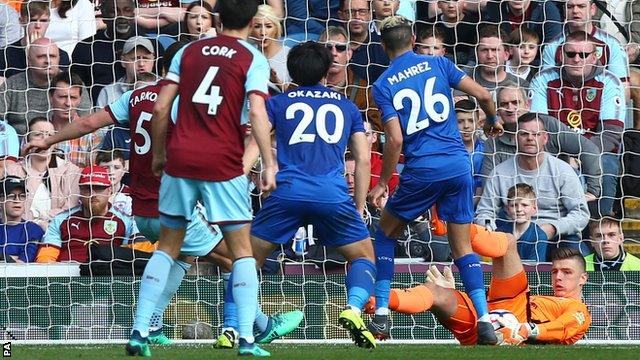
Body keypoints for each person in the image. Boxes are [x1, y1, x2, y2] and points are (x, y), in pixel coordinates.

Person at [150, 0, 276, 355]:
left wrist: (160, 154)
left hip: (174, 168)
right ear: (253, 22)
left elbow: (161, 109)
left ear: (216, 18)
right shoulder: (251, 58)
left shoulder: (188, 53)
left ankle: (142, 330)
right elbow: (255, 112)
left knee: (170, 251)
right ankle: (246, 335)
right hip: (222, 164)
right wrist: (267, 163)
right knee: (241, 254)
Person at [368, 16, 503, 344]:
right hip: (458, 165)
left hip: (423, 168)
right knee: (462, 246)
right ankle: (484, 320)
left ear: (384, 47)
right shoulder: (439, 63)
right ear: (414, 39)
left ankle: (382, 315)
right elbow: (484, 94)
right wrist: (493, 120)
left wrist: (384, 181)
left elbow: (396, 140)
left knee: (385, 234)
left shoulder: (383, 84)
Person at [250, 41, 377, 348]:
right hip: (332, 195)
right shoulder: (347, 105)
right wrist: (358, 206)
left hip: (288, 193)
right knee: (364, 257)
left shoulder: (278, 103)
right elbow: (362, 159)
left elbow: (256, 134)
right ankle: (353, 307)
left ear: (290, 71)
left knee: (246, 259)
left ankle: (234, 327)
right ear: (326, 72)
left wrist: (268, 165)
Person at [365, 246, 591, 345]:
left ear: (583, 278)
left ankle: (457, 229)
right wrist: (454, 292)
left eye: (567, 272)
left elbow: (563, 327)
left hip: (511, 340)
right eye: (555, 271)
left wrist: (525, 330)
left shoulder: (577, 310)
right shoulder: (539, 299)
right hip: (482, 323)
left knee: (507, 245)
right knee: (436, 292)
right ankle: (374, 301)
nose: (558, 277)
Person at [530, 31, 626, 217]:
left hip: (597, 151)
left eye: (583, 54)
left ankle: (598, 226)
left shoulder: (609, 81)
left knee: (606, 164)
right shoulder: (543, 79)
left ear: (595, 56)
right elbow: (538, 127)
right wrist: (567, 156)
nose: (576, 59)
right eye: (571, 54)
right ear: (561, 55)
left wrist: (582, 154)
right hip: (555, 150)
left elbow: (611, 133)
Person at [475, 113, 590, 260]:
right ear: (516, 138)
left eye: (536, 134)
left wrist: (553, 228)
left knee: (579, 258)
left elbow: (581, 214)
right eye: (524, 134)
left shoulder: (563, 170)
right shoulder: (499, 173)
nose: (530, 138)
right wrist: (493, 233)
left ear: (545, 138)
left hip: (557, 237)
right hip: (513, 235)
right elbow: (484, 212)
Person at [482, 86, 603, 200]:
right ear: (497, 110)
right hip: (514, 204)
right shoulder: (494, 140)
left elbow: (589, 149)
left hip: (556, 198)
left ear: (527, 104)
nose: (510, 108)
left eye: (515, 102)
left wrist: (593, 191)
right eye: (504, 104)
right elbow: (489, 183)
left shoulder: (549, 125)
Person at [35, 165, 138, 263]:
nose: (92, 194)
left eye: (98, 188)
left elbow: (131, 259)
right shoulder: (61, 219)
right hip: (66, 276)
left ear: (109, 190)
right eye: (87, 188)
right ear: (80, 190)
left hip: (107, 276)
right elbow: (45, 259)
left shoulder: (126, 221)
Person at [0, 37, 91, 136]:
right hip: (19, 145)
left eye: (52, 56)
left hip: (65, 142)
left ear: (59, 59)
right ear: (29, 61)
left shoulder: (74, 84)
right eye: (41, 56)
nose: (48, 61)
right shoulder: (12, 84)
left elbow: (87, 120)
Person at [6, 118, 80, 229]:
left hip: (57, 231)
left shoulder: (71, 171)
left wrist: (43, 217)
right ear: (27, 140)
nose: (44, 139)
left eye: (50, 135)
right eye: (38, 134)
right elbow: (9, 207)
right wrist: (36, 224)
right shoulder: (13, 170)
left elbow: (71, 208)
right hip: (21, 231)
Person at [541, 0, 629, 84]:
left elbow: (621, 87)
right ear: (564, 11)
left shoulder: (612, 45)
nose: (575, 11)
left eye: (581, 6)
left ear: (593, 9)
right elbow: (545, 84)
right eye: (570, 7)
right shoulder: (552, 46)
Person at [0, 1, 72, 79]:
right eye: (33, 20)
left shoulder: (60, 56)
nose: (38, 26)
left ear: (49, 22)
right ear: (21, 21)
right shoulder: (4, 55)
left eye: (43, 21)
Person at [48, 71, 101, 168]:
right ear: (50, 97)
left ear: (80, 99)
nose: (68, 103)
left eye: (73, 97)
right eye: (62, 97)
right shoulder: (37, 131)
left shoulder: (93, 134)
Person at [96, 36, 156, 108]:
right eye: (135, 58)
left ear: (153, 60)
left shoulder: (166, 88)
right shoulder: (108, 92)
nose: (141, 64)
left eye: (146, 58)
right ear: (123, 61)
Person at [338, 0, 389, 83]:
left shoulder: (383, 47)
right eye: (350, 12)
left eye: (362, 11)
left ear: (370, 15)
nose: (357, 16)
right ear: (341, 15)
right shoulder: (330, 46)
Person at [496, 183, 548, 262]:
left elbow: (536, 270)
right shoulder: (499, 233)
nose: (519, 209)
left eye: (524, 205)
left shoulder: (539, 236)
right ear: (507, 209)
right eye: (514, 205)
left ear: (534, 209)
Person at [482, 0, 562, 48]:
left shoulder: (547, 10)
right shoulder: (494, 8)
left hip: (537, 68)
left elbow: (551, 52)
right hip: (503, 68)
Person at [0, 176, 44, 263]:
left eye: (22, 196)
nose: (17, 200)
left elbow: (22, 262)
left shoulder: (33, 229)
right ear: (1, 199)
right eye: (11, 196)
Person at [250, 4, 291, 91]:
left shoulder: (289, 55)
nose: (263, 33)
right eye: (257, 26)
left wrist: (276, 81)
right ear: (251, 29)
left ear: (276, 28)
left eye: (268, 26)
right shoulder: (247, 53)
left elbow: (295, 94)